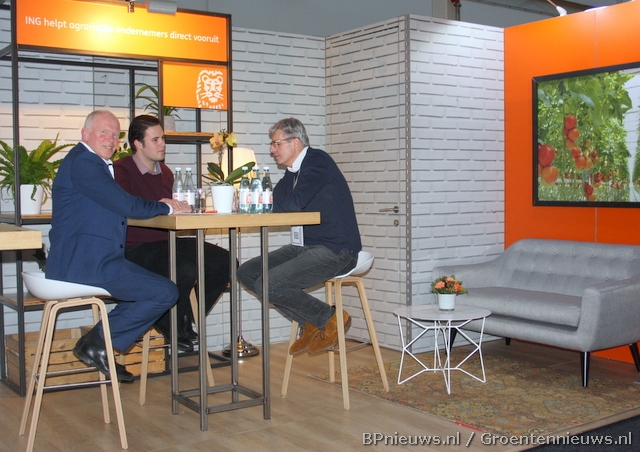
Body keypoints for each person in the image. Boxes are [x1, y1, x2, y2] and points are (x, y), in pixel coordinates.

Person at [47, 110, 186, 382]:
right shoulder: (84, 163)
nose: (111, 139)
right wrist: (166, 206)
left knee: (156, 291)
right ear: (85, 134)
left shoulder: (89, 162)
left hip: (95, 259)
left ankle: (97, 343)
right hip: (84, 262)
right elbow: (124, 204)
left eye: (115, 134)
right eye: (104, 132)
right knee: (164, 292)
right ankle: (97, 342)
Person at [237, 117, 361, 356]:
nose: (272, 150)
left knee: (268, 283)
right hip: (305, 246)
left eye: (276, 143)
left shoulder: (317, 161)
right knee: (247, 273)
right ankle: (313, 321)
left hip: (337, 249)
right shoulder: (293, 172)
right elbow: (274, 202)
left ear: (295, 142)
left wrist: (259, 201)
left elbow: (292, 203)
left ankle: (330, 317)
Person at [114, 114, 231, 352]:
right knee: (184, 268)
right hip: (134, 247)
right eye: (155, 139)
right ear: (137, 143)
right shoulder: (121, 169)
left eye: (163, 138)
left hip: (165, 241)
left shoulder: (166, 172)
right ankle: (171, 324)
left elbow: (172, 208)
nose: (162, 144)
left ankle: (184, 317)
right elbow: (125, 206)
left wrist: (185, 208)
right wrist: (161, 204)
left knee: (226, 261)